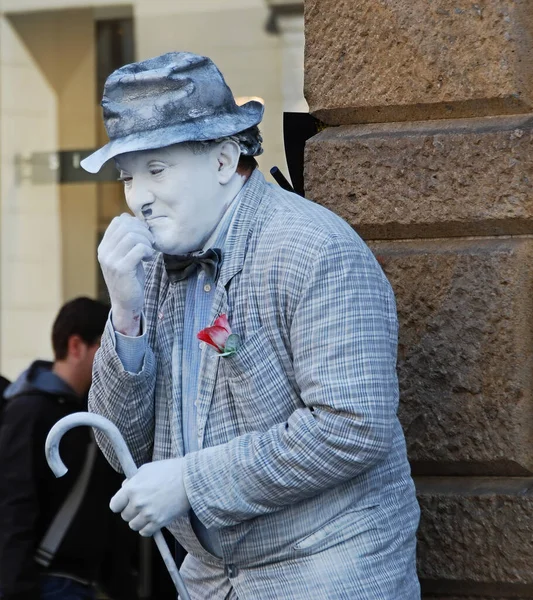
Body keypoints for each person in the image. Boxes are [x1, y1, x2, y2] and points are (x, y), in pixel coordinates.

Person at [84, 52, 421, 599]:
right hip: (212, 581)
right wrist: (125, 317)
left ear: (222, 161)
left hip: (330, 574)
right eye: (127, 177)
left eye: (157, 170)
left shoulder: (315, 248)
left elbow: (352, 427)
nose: (139, 197)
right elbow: (119, 446)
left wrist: (190, 482)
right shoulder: (150, 271)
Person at [0, 297, 139, 600]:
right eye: (106, 346)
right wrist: (18, 590)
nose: (114, 359)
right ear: (76, 346)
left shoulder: (95, 412)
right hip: (45, 585)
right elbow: (14, 505)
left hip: (82, 584)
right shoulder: (29, 410)